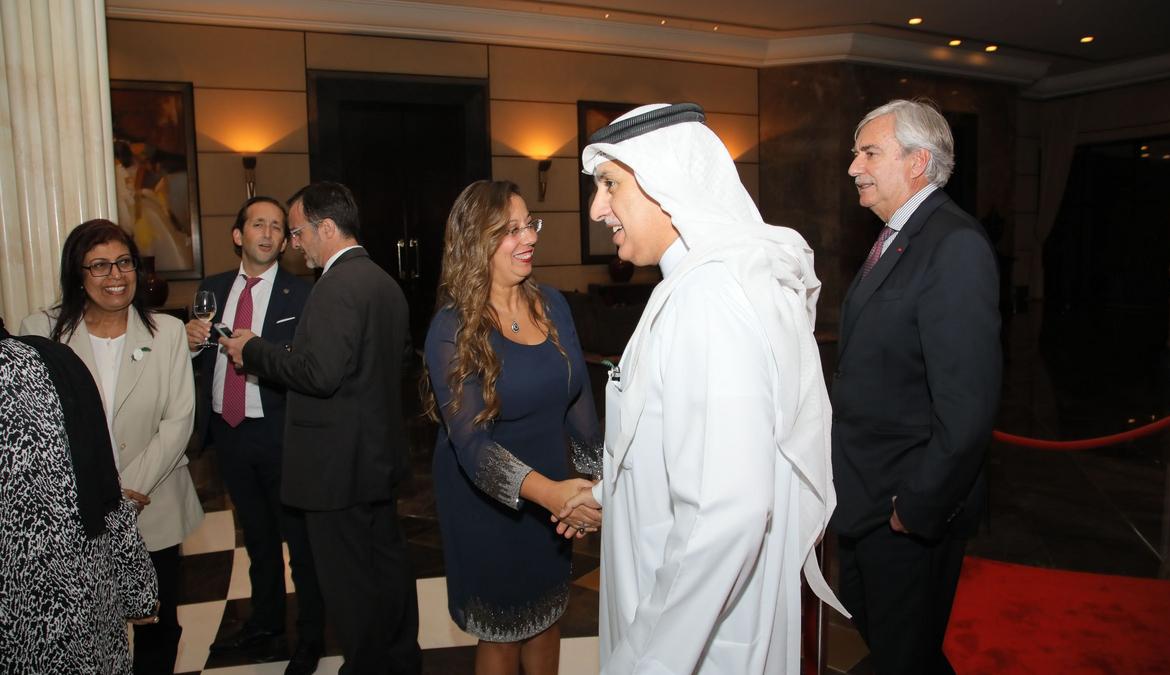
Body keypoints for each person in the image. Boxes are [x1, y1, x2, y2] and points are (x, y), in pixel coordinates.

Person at [566, 103, 844, 674]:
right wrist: (606, 494)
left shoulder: (710, 299)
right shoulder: (699, 284)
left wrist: (647, 663)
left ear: (667, 182)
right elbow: (691, 446)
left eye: (610, 184)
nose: (597, 208)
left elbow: (726, 512)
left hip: (690, 645)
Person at [219, 182, 421, 675]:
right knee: (386, 571)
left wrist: (254, 351)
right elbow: (391, 364)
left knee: (350, 585)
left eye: (297, 232)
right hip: (375, 458)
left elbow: (320, 374)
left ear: (326, 228)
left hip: (335, 469)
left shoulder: (336, 285)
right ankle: (399, 662)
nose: (293, 244)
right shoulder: (383, 282)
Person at [831, 99, 1002, 675]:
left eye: (869, 153)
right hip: (868, 494)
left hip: (906, 503)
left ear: (917, 161)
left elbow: (968, 404)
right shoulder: (897, 236)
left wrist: (919, 506)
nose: (853, 166)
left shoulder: (954, 244)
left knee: (905, 651)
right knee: (893, 640)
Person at [421, 180, 602, 675]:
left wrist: (598, 486)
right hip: (486, 500)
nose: (530, 238)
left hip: (555, 490)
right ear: (475, 242)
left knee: (547, 616)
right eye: (511, 230)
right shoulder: (453, 328)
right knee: (502, 634)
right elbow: (472, 447)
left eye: (529, 224)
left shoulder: (553, 304)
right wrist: (553, 496)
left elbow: (579, 401)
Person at [20, 219, 202, 674]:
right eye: (99, 266)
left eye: (124, 263)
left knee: (157, 625)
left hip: (152, 505)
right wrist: (99, 494)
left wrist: (121, 494)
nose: (115, 276)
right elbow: (36, 429)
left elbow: (178, 422)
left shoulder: (167, 332)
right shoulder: (40, 332)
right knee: (86, 628)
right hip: (75, 515)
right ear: (77, 274)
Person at [185, 196, 325, 674]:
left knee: (300, 542)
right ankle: (266, 623)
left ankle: (311, 635)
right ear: (237, 235)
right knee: (257, 538)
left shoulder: (301, 293)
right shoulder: (212, 289)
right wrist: (190, 345)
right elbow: (202, 362)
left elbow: (307, 365)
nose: (267, 233)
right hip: (229, 432)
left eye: (277, 227)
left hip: (280, 431)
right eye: (258, 224)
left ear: (285, 242)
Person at [0, 316, 159, 674]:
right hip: (78, 595)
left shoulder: (53, 361)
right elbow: (106, 489)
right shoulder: (54, 361)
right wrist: (137, 590)